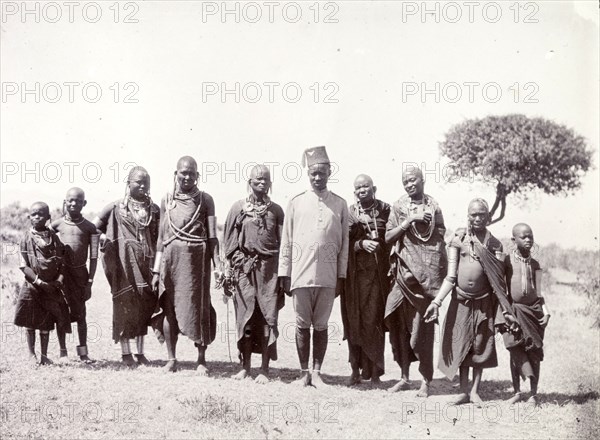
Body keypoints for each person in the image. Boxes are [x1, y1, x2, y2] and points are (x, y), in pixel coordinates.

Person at [424, 198, 519, 406]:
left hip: (484, 302)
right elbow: (450, 277)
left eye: (481, 214)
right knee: (461, 344)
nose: (477, 218)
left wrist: (506, 310)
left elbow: (497, 282)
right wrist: (437, 302)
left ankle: (475, 391)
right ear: (468, 216)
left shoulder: (494, 244)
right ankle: (464, 391)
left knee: (480, 344)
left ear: (489, 217)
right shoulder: (459, 239)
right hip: (461, 301)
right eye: (473, 214)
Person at [279, 146, 349, 388]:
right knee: (301, 325)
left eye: (322, 173)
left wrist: (341, 275)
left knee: (320, 326)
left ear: (329, 172)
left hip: (328, 278)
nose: (318, 177)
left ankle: (317, 374)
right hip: (300, 276)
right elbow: (286, 241)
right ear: (308, 174)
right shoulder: (296, 202)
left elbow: (345, 244)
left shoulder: (340, 204)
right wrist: (284, 274)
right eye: (313, 174)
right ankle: (302, 374)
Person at [152, 156, 219, 375]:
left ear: (198, 176)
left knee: (199, 308)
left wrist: (218, 266)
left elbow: (212, 237)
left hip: (197, 263)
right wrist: (156, 269)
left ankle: (201, 359)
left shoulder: (206, 200)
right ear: (176, 174)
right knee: (169, 307)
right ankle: (171, 358)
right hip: (171, 262)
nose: (187, 177)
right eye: (183, 172)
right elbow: (162, 237)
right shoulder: (166, 200)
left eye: (192, 173)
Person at [384, 167, 447, 396]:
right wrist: (410, 219)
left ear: (422, 180)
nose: (409, 184)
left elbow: (439, 240)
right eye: (405, 182)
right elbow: (388, 237)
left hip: (424, 283)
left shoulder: (434, 205)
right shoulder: (399, 206)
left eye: (412, 180)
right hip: (402, 278)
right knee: (398, 327)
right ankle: (403, 377)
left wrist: (429, 272)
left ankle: (426, 381)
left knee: (422, 332)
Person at [222, 164, 285, 383]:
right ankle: (245, 367)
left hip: (270, 272)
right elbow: (229, 244)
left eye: (265, 180)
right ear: (249, 182)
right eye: (257, 179)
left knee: (268, 319)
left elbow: (284, 244)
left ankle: (264, 369)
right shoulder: (238, 208)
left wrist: (282, 274)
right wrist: (240, 261)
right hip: (244, 272)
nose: (261, 182)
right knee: (246, 320)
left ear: (270, 183)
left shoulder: (276, 210)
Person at [94, 166, 160, 367]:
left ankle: (140, 353)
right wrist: (104, 237)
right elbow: (93, 227)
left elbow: (161, 239)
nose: (142, 185)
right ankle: (125, 353)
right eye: (137, 181)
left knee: (143, 307)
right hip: (123, 266)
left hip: (146, 265)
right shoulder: (114, 207)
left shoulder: (155, 209)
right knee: (124, 306)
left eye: (145, 182)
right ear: (128, 183)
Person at [341, 174, 391, 386]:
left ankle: (375, 372)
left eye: (366, 186)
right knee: (353, 321)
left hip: (377, 277)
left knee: (374, 322)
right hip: (353, 277)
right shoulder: (349, 212)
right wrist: (360, 245)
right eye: (358, 187)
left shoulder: (386, 210)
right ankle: (355, 369)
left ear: (374, 188)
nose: (362, 190)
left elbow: (393, 236)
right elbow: (342, 242)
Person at [14, 202, 71, 365]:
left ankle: (45, 356)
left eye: (41, 214)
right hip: (32, 287)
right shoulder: (25, 238)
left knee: (46, 321)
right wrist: (39, 281)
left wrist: (58, 280)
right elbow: (23, 264)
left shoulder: (54, 238)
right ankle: (32, 355)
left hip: (52, 287)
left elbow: (62, 261)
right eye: (33, 214)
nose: (37, 217)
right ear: (29, 217)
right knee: (30, 321)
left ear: (48, 217)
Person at [503, 223, 550, 406]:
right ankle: (516, 392)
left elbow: (539, 293)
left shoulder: (536, 264)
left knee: (534, 352)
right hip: (514, 313)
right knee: (515, 351)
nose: (528, 240)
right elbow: (501, 289)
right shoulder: (507, 262)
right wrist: (506, 312)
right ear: (514, 240)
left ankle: (533, 394)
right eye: (524, 237)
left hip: (534, 313)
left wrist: (546, 313)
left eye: (531, 236)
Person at [51, 187, 99, 363]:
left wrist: (90, 282)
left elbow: (94, 257)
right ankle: (63, 352)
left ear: (84, 203)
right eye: (70, 200)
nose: (73, 204)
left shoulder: (90, 227)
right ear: (65, 202)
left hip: (81, 275)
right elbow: (46, 245)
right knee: (61, 313)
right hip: (61, 276)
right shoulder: (56, 225)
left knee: (81, 315)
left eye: (78, 201)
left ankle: (83, 353)